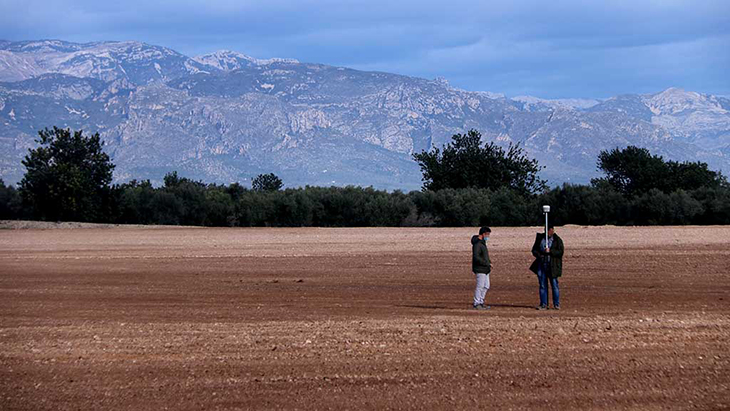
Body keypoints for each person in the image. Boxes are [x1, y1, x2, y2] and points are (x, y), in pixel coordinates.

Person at [529, 224, 564, 310]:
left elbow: (560, 252)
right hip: (542, 265)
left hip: (552, 266)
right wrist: (540, 254)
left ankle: (556, 304)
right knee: (542, 285)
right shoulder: (540, 238)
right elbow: (534, 250)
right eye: (546, 230)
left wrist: (550, 251)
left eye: (549, 230)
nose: (547, 232)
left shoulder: (557, 240)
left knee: (554, 285)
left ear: (552, 230)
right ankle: (544, 304)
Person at [471, 226, 492, 310]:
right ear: (483, 234)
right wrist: (486, 263)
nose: (488, 237)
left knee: (486, 286)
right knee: (480, 286)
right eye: (487, 234)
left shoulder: (482, 243)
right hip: (480, 268)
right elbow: (476, 257)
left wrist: (489, 262)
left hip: (485, 269)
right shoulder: (477, 244)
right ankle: (477, 303)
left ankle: (481, 301)